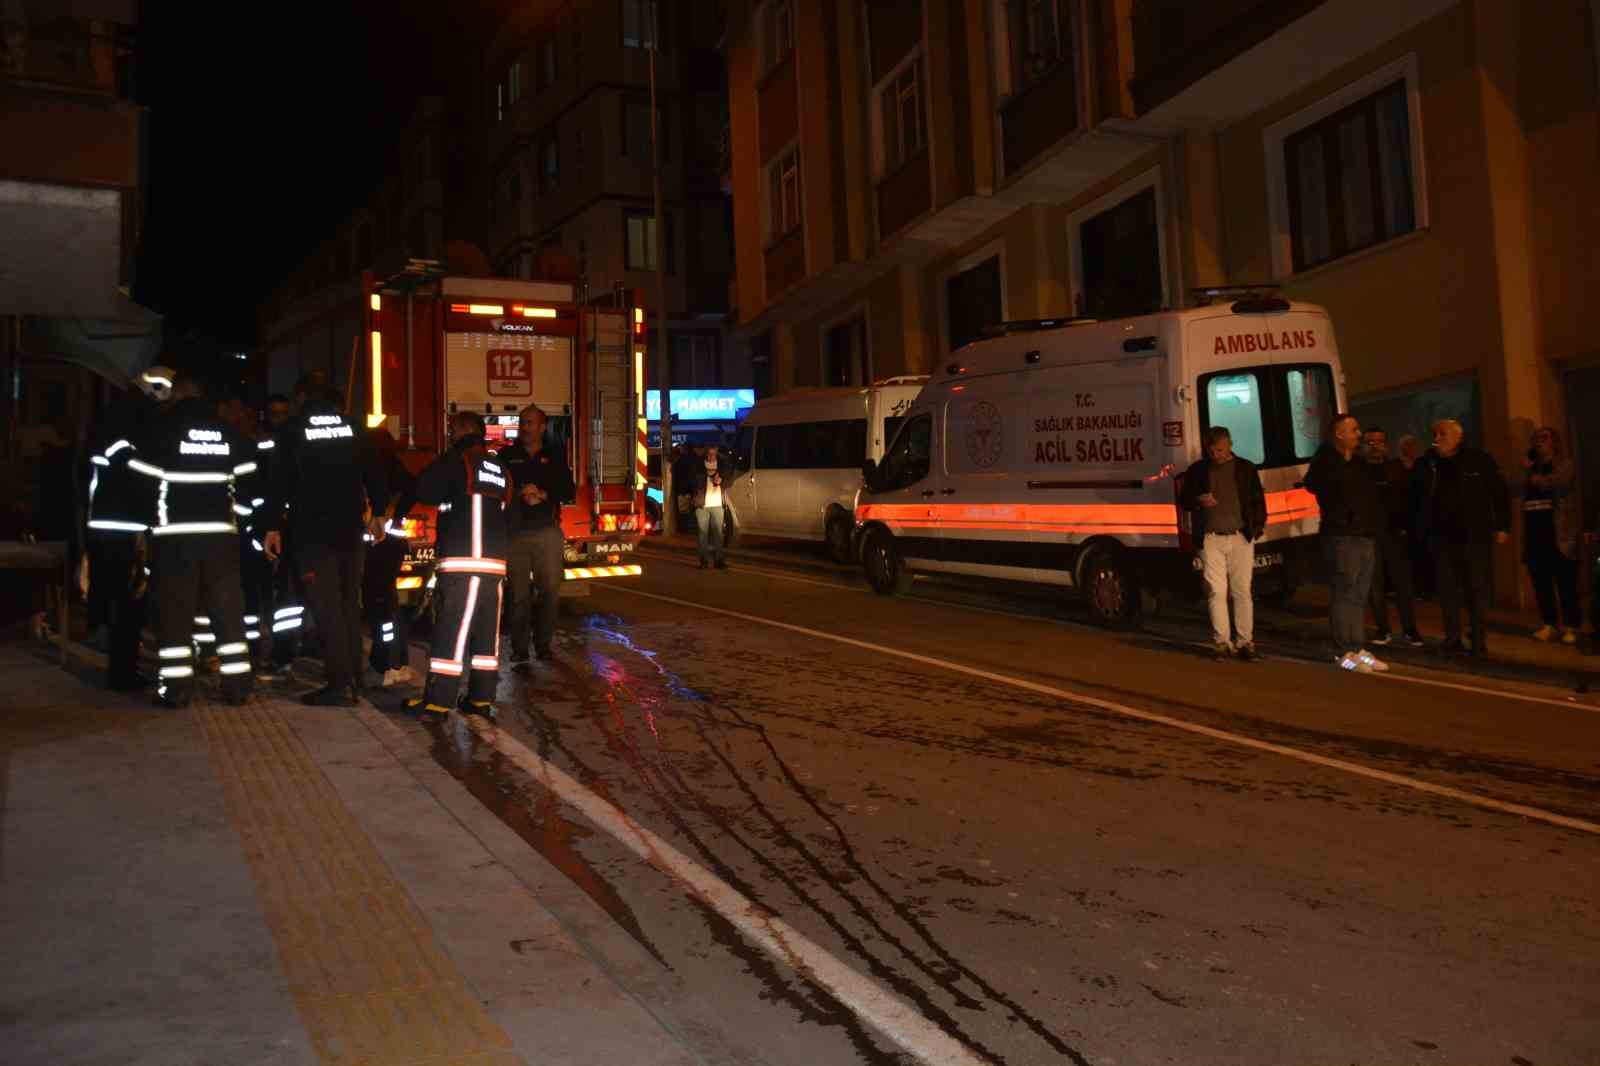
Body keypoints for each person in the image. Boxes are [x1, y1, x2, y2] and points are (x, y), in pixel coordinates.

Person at [100, 371, 255, 708]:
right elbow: (248, 486)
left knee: (175, 614)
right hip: (221, 539)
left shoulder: (163, 433)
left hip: (175, 539)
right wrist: (236, 522)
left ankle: (176, 690)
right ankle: (238, 687)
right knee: (227, 611)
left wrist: (153, 521)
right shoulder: (230, 434)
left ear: (182, 395)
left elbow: (140, 482)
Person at [261, 380, 387, 706]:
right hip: (349, 531)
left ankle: (339, 685)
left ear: (303, 400)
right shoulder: (354, 428)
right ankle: (353, 677)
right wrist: (378, 514)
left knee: (326, 607)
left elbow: (278, 482)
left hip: (313, 535)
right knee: (347, 604)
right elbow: (375, 471)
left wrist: (272, 526)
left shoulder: (293, 430)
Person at [404, 412, 511, 720]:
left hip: (463, 562)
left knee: (451, 629)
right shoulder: (500, 468)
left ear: (465, 430)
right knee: (485, 635)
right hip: (494, 564)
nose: (449, 435)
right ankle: (480, 699)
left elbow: (424, 490)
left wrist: (446, 456)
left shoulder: (458, 461)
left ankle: (438, 702)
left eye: (452, 430)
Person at [84, 375, 164, 690]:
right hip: (126, 526)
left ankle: (120, 667)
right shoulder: (134, 422)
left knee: (115, 599)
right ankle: (122, 672)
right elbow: (134, 470)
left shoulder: (110, 418)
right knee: (129, 601)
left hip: (107, 524)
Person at [1413, 418, 1510, 658]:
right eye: (1435, 433)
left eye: (1443, 434)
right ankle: (1452, 637)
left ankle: (1478, 639)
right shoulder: (1427, 464)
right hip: (1440, 537)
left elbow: (1498, 493)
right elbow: (1415, 499)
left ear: (1458, 437)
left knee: (1476, 589)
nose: (1437, 438)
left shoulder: (1478, 461)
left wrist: (1502, 526)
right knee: (1447, 590)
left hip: (1473, 536)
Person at [1306, 414, 1388, 673]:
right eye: (1353, 429)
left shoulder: (1360, 464)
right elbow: (1315, 485)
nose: (1358, 433)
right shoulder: (1326, 462)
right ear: (1339, 434)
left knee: (1359, 594)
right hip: (1341, 536)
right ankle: (1343, 652)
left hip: (1364, 535)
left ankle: (1358, 647)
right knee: (1344, 592)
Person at [1179, 426, 1267, 662]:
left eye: (1220, 450)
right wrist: (1199, 500)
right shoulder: (1198, 470)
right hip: (1211, 537)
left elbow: (1258, 499)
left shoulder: (1245, 468)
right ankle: (1222, 642)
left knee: (1242, 591)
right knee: (1216, 591)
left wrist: (1257, 528)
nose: (1216, 455)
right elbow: (1184, 500)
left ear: (1229, 445)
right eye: (1212, 450)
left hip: (1240, 536)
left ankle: (1245, 642)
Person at [497, 405, 575, 665]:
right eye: (523, 422)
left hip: (546, 532)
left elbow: (567, 490)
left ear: (542, 427)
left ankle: (543, 646)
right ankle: (520, 650)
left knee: (550, 592)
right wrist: (519, 492)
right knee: (517, 596)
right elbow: (495, 488)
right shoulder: (506, 455)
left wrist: (542, 494)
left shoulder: (554, 456)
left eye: (530, 423)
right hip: (515, 533)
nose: (525, 427)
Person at [1514, 426, 1581, 644]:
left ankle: (1572, 626)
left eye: (1544, 438)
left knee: (1565, 582)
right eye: (1536, 439)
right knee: (1541, 581)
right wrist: (1526, 468)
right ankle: (1549, 624)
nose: (1539, 442)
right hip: (1535, 533)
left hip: (1558, 533)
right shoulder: (1530, 465)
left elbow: (1556, 483)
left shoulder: (1564, 463)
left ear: (1555, 442)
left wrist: (1532, 472)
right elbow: (1514, 486)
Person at [364, 426, 419, 685]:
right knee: (386, 603)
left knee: (380, 605)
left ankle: (388, 662)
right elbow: (413, 488)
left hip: (373, 548)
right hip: (391, 546)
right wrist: (398, 514)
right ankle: (390, 659)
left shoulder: (368, 468)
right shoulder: (395, 467)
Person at [1361, 427, 1423, 648]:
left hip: (1395, 535)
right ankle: (1383, 629)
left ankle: (1410, 630)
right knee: (1375, 585)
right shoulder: (1359, 471)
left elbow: (1408, 500)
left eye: (1379, 441)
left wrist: (1406, 528)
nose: (1375, 446)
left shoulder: (1396, 469)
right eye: (1370, 442)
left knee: (1402, 585)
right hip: (1369, 535)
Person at [689, 442, 730, 570]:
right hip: (702, 504)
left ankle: (719, 560)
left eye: (714, 453)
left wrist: (721, 480)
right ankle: (704, 561)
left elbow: (729, 480)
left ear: (717, 452)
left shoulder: (722, 465)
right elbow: (691, 481)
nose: (711, 456)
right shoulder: (698, 465)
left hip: (717, 504)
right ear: (706, 453)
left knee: (718, 534)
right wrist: (706, 477)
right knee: (702, 534)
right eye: (709, 454)